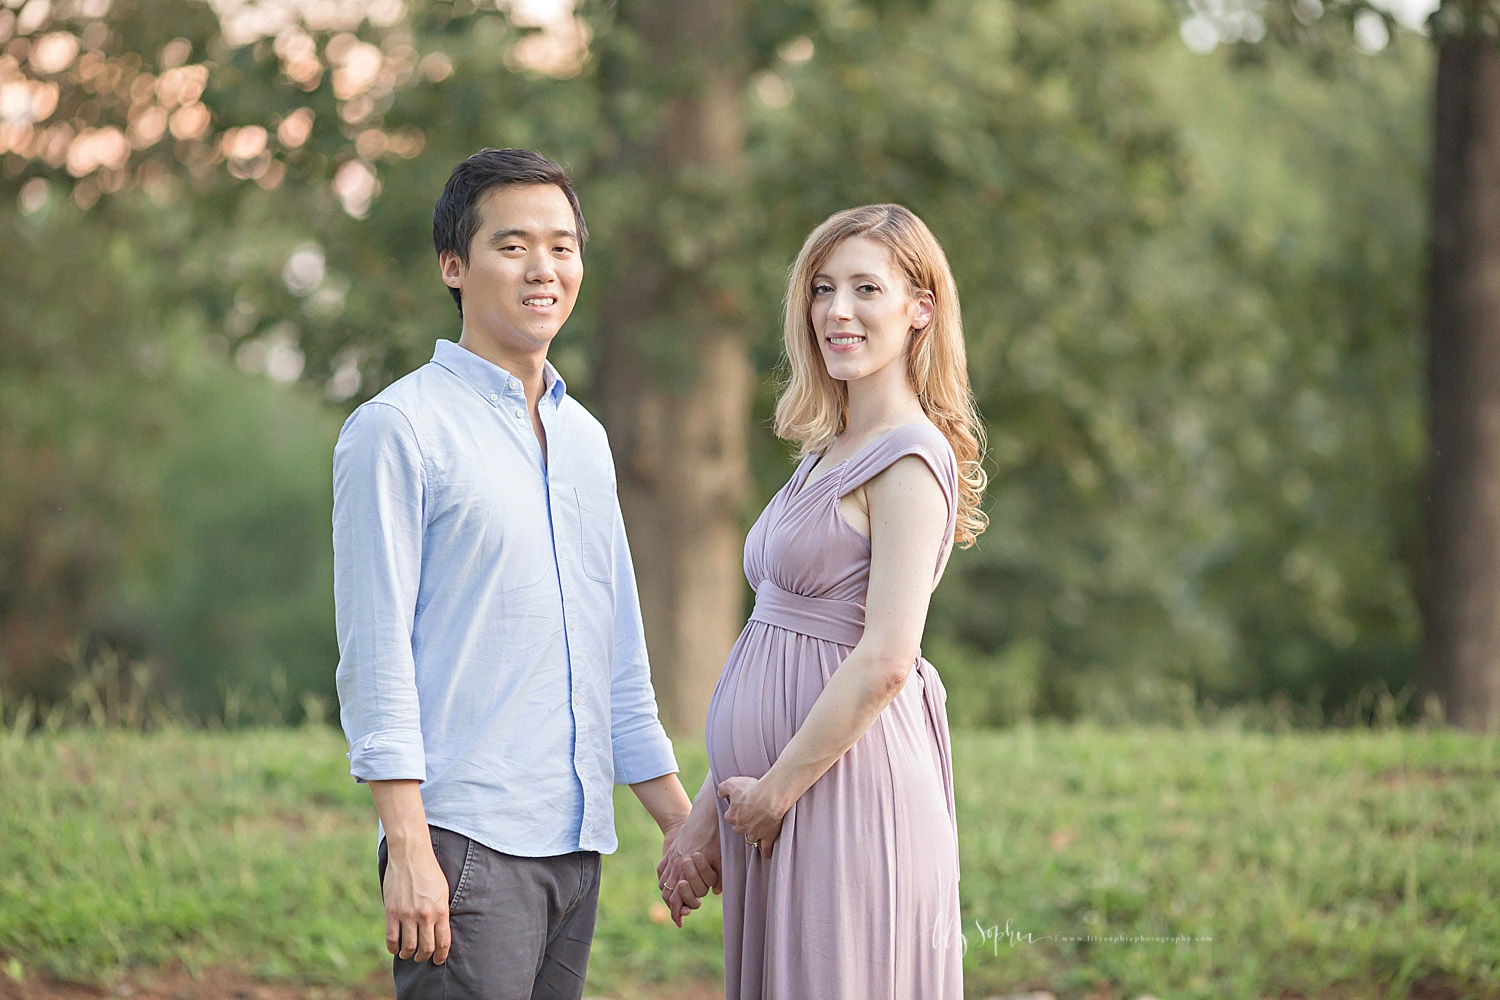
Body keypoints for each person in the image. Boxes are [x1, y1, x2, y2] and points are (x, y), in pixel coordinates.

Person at [332, 148, 694, 1000]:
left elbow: (618, 664)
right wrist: (409, 850)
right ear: (453, 265)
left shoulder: (586, 440)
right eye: (514, 245)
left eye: (564, 246)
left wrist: (682, 826)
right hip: (464, 850)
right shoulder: (398, 430)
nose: (545, 269)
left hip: (576, 851)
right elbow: (375, 662)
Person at [658, 203, 988, 999]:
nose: (837, 311)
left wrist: (773, 793)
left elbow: (883, 661)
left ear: (920, 309)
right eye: (822, 288)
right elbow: (770, 651)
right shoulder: (822, 452)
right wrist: (705, 818)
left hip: (845, 792)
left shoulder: (911, 460)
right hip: (781, 800)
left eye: (866, 289)